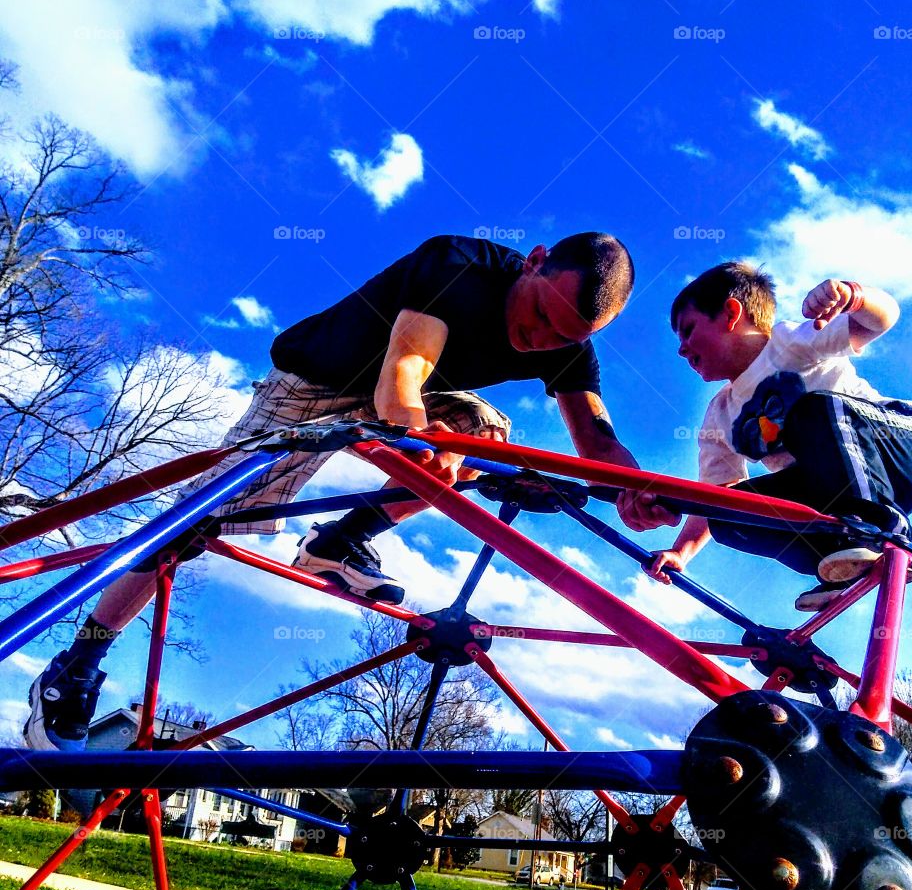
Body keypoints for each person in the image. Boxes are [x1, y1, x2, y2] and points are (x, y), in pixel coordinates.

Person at [25, 231, 641, 751]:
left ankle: (339, 543)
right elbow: (403, 372)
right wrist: (417, 444)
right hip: (317, 382)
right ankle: (77, 661)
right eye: (538, 317)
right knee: (197, 523)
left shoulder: (567, 345)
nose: (538, 340)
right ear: (533, 262)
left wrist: (637, 493)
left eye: (562, 337)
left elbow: (598, 444)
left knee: (484, 435)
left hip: (410, 402)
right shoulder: (459, 267)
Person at [618, 262, 912, 611]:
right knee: (726, 515)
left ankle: (877, 530)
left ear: (730, 313)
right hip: (833, 492)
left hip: (902, 449)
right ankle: (840, 562)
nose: (682, 349)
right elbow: (716, 495)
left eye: (689, 330)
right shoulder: (719, 415)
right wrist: (681, 551)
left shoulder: (790, 343)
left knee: (811, 411)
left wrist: (853, 296)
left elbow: (880, 320)